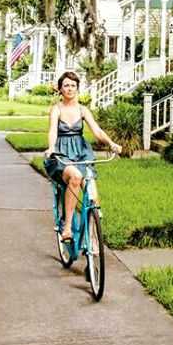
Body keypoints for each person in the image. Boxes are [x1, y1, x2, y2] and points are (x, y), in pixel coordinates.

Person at [43, 70, 121, 242]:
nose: (70, 89)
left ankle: (93, 236)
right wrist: (51, 148)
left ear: (77, 88)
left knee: (92, 191)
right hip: (62, 154)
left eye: (73, 85)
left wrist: (111, 143)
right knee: (76, 177)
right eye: (66, 86)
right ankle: (68, 227)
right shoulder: (56, 109)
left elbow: (97, 131)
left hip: (81, 153)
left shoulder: (83, 110)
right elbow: (52, 132)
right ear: (60, 89)